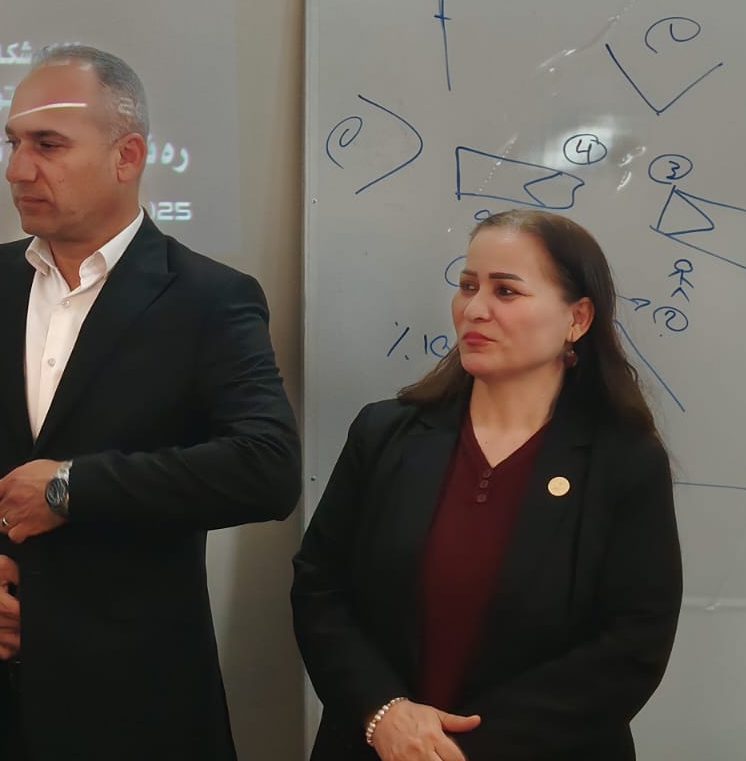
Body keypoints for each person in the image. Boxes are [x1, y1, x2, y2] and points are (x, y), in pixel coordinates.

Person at [0, 44, 301, 761]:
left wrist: (74, 487)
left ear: (126, 156)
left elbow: (267, 467)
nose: (17, 169)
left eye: (47, 145)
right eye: (12, 144)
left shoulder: (209, 299)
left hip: (134, 711)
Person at [292, 209, 681, 761]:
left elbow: (633, 642)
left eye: (506, 291)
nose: (475, 309)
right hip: (378, 746)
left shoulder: (624, 462)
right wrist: (384, 713)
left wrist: (461, 749)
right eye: (468, 285)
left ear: (577, 318)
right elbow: (320, 587)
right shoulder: (386, 434)